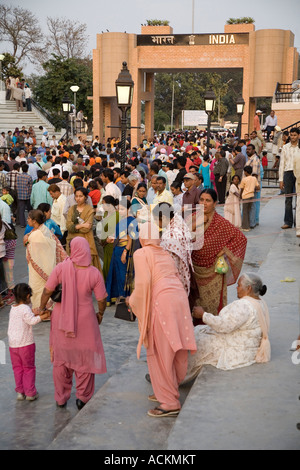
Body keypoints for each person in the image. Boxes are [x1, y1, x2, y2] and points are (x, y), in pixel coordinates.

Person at [127, 221, 197, 418]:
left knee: (160, 350)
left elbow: (142, 285)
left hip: (162, 302)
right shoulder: (164, 252)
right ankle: (166, 390)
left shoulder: (141, 254)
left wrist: (131, 300)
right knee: (174, 347)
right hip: (179, 299)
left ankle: (169, 401)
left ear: (142, 236)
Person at [39, 237, 107, 409]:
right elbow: (101, 299)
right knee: (84, 359)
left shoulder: (61, 268)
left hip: (62, 321)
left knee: (61, 360)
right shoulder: (93, 273)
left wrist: (41, 307)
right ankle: (82, 397)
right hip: (86, 321)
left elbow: (47, 290)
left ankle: (61, 398)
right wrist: (100, 314)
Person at [183, 273, 270, 383]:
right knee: (199, 330)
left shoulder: (244, 305)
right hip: (247, 347)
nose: (236, 288)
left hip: (237, 350)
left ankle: (175, 376)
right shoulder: (260, 302)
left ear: (248, 288)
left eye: (238, 285)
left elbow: (224, 326)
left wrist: (203, 315)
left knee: (196, 342)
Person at [191, 189, 247, 319]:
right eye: (202, 200)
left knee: (212, 307)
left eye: (208, 201)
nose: (204, 203)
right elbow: (183, 236)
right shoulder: (192, 217)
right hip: (194, 271)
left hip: (213, 273)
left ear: (215, 203)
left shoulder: (221, 223)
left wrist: (225, 250)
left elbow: (241, 239)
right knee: (193, 306)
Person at [8, 283, 50, 401]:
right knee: (29, 368)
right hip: (26, 344)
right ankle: (30, 392)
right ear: (27, 296)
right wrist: (42, 317)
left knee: (17, 368)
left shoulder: (13, 308)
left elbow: (24, 317)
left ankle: (20, 392)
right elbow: (31, 321)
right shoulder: (25, 308)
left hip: (13, 345)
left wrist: (35, 313)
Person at [24, 209, 67, 314]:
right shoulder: (44, 229)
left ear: (34, 221)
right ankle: (47, 309)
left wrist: (26, 241)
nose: (27, 220)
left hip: (39, 268)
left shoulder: (36, 235)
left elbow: (32, 250)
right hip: (48, 266)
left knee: (38, 287)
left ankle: (41, 311)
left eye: (29, 218)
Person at [153, 203, 193, 296]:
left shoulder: (170, 236)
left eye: (156, 219)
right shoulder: (178, 221)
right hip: (182, 274)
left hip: (174, 280)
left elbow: (169, 265)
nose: (155, 222)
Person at [105, 199, 137, 305]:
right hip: (117, 249)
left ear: (128, 209)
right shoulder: (121, 221)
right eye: (119, 209)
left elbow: (131, 238)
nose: (120, 211)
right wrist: (111, 239)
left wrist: (125, 251)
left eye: (122, 209)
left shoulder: (132, 220)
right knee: (115, 274)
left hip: (124, 250)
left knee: (124, 274)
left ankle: (126, 297)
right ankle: (117, 296)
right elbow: (119, 236)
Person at [66, 187, 102, 273]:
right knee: (73, 268)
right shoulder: (72, 209)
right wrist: (81, 225)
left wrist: (74, 227)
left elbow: (86, 230)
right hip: (72, 242)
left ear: (85, 197)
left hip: (86, 242)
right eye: (76, 196)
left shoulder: (89, 210)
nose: (78, 198)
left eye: (80, 196)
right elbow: (68, 226)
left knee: (86, 269)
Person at [279, 128, 300, 230]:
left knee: (299, 199)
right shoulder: (285, 147)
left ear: (298, 136)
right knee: (288, 199)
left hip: (299, 174)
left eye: (295, 135)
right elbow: (282, 163)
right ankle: (288, 222)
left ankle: (298, 222)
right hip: (288, 173)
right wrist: (281, 179)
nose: (293, 137)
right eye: (291, 135)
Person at [96, 195, 120, 280]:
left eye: (104, 204)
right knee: (106, 265)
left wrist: (108, 240)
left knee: (110, 266)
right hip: (105, 244)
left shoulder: (117, 215)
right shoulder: (106, 213)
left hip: (111, 244)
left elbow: (117, 230)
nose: (102, 206)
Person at [239, 166, 260, 232]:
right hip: (252, 195)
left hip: (245, 196)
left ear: (245, 172)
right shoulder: (254, 178)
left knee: (245, 212)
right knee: (249, 210)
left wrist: (240, 196)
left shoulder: (244, 179)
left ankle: (245, 227)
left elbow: (242, 188)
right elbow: (258, 187)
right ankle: (250, 224)